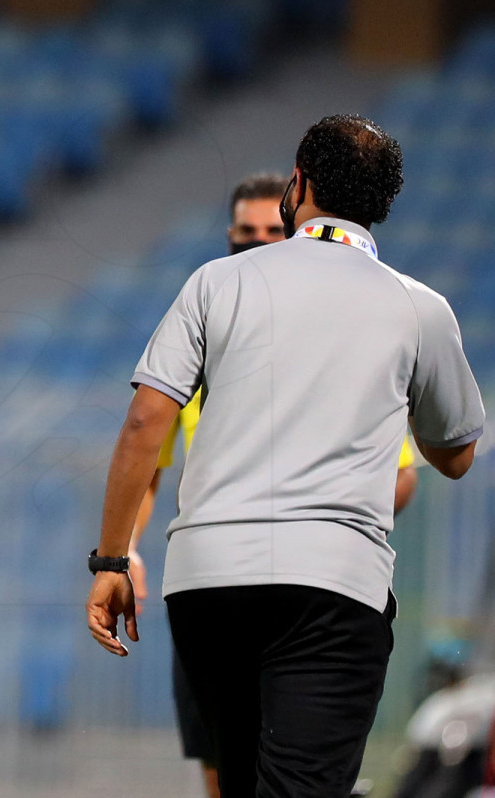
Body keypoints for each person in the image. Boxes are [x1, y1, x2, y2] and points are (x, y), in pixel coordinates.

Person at [85, 114, 485, 797]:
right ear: (382, 205)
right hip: (333, 586)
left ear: (297, 184)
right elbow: (456, 455)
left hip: (207, 581)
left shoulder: (217, 283)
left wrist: (113, 560)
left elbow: (145, 421)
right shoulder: (420, 309)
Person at [126, 172, 420, 798]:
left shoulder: (332, 340)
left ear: (291, 226)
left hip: (276, 574)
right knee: (223, 768)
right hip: (224, 569)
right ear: (228, 235)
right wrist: (123, 547)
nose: (257, 242)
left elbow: (400, 477)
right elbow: (151, 455)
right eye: (244, 232)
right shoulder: (207, 322)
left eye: (269, 230)